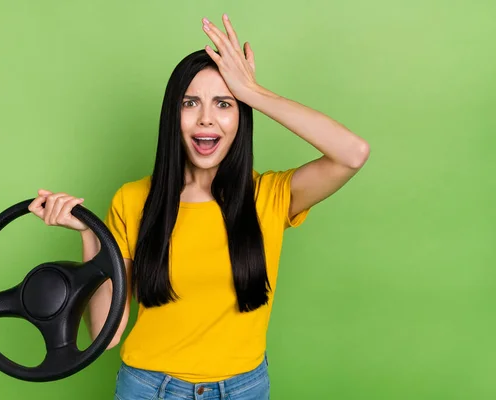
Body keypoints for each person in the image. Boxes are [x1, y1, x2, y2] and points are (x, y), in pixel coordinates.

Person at [28, 14, 369, 400]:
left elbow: (353, 153)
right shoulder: (132, 199)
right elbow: (107, 334)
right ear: (173, 115)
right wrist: (92, 234)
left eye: (224, 103)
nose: (207, 118)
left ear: (241, 115)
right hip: (146, 388)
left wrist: (253, 92)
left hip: (243, 389)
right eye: (190, 103)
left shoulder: (269, 196)